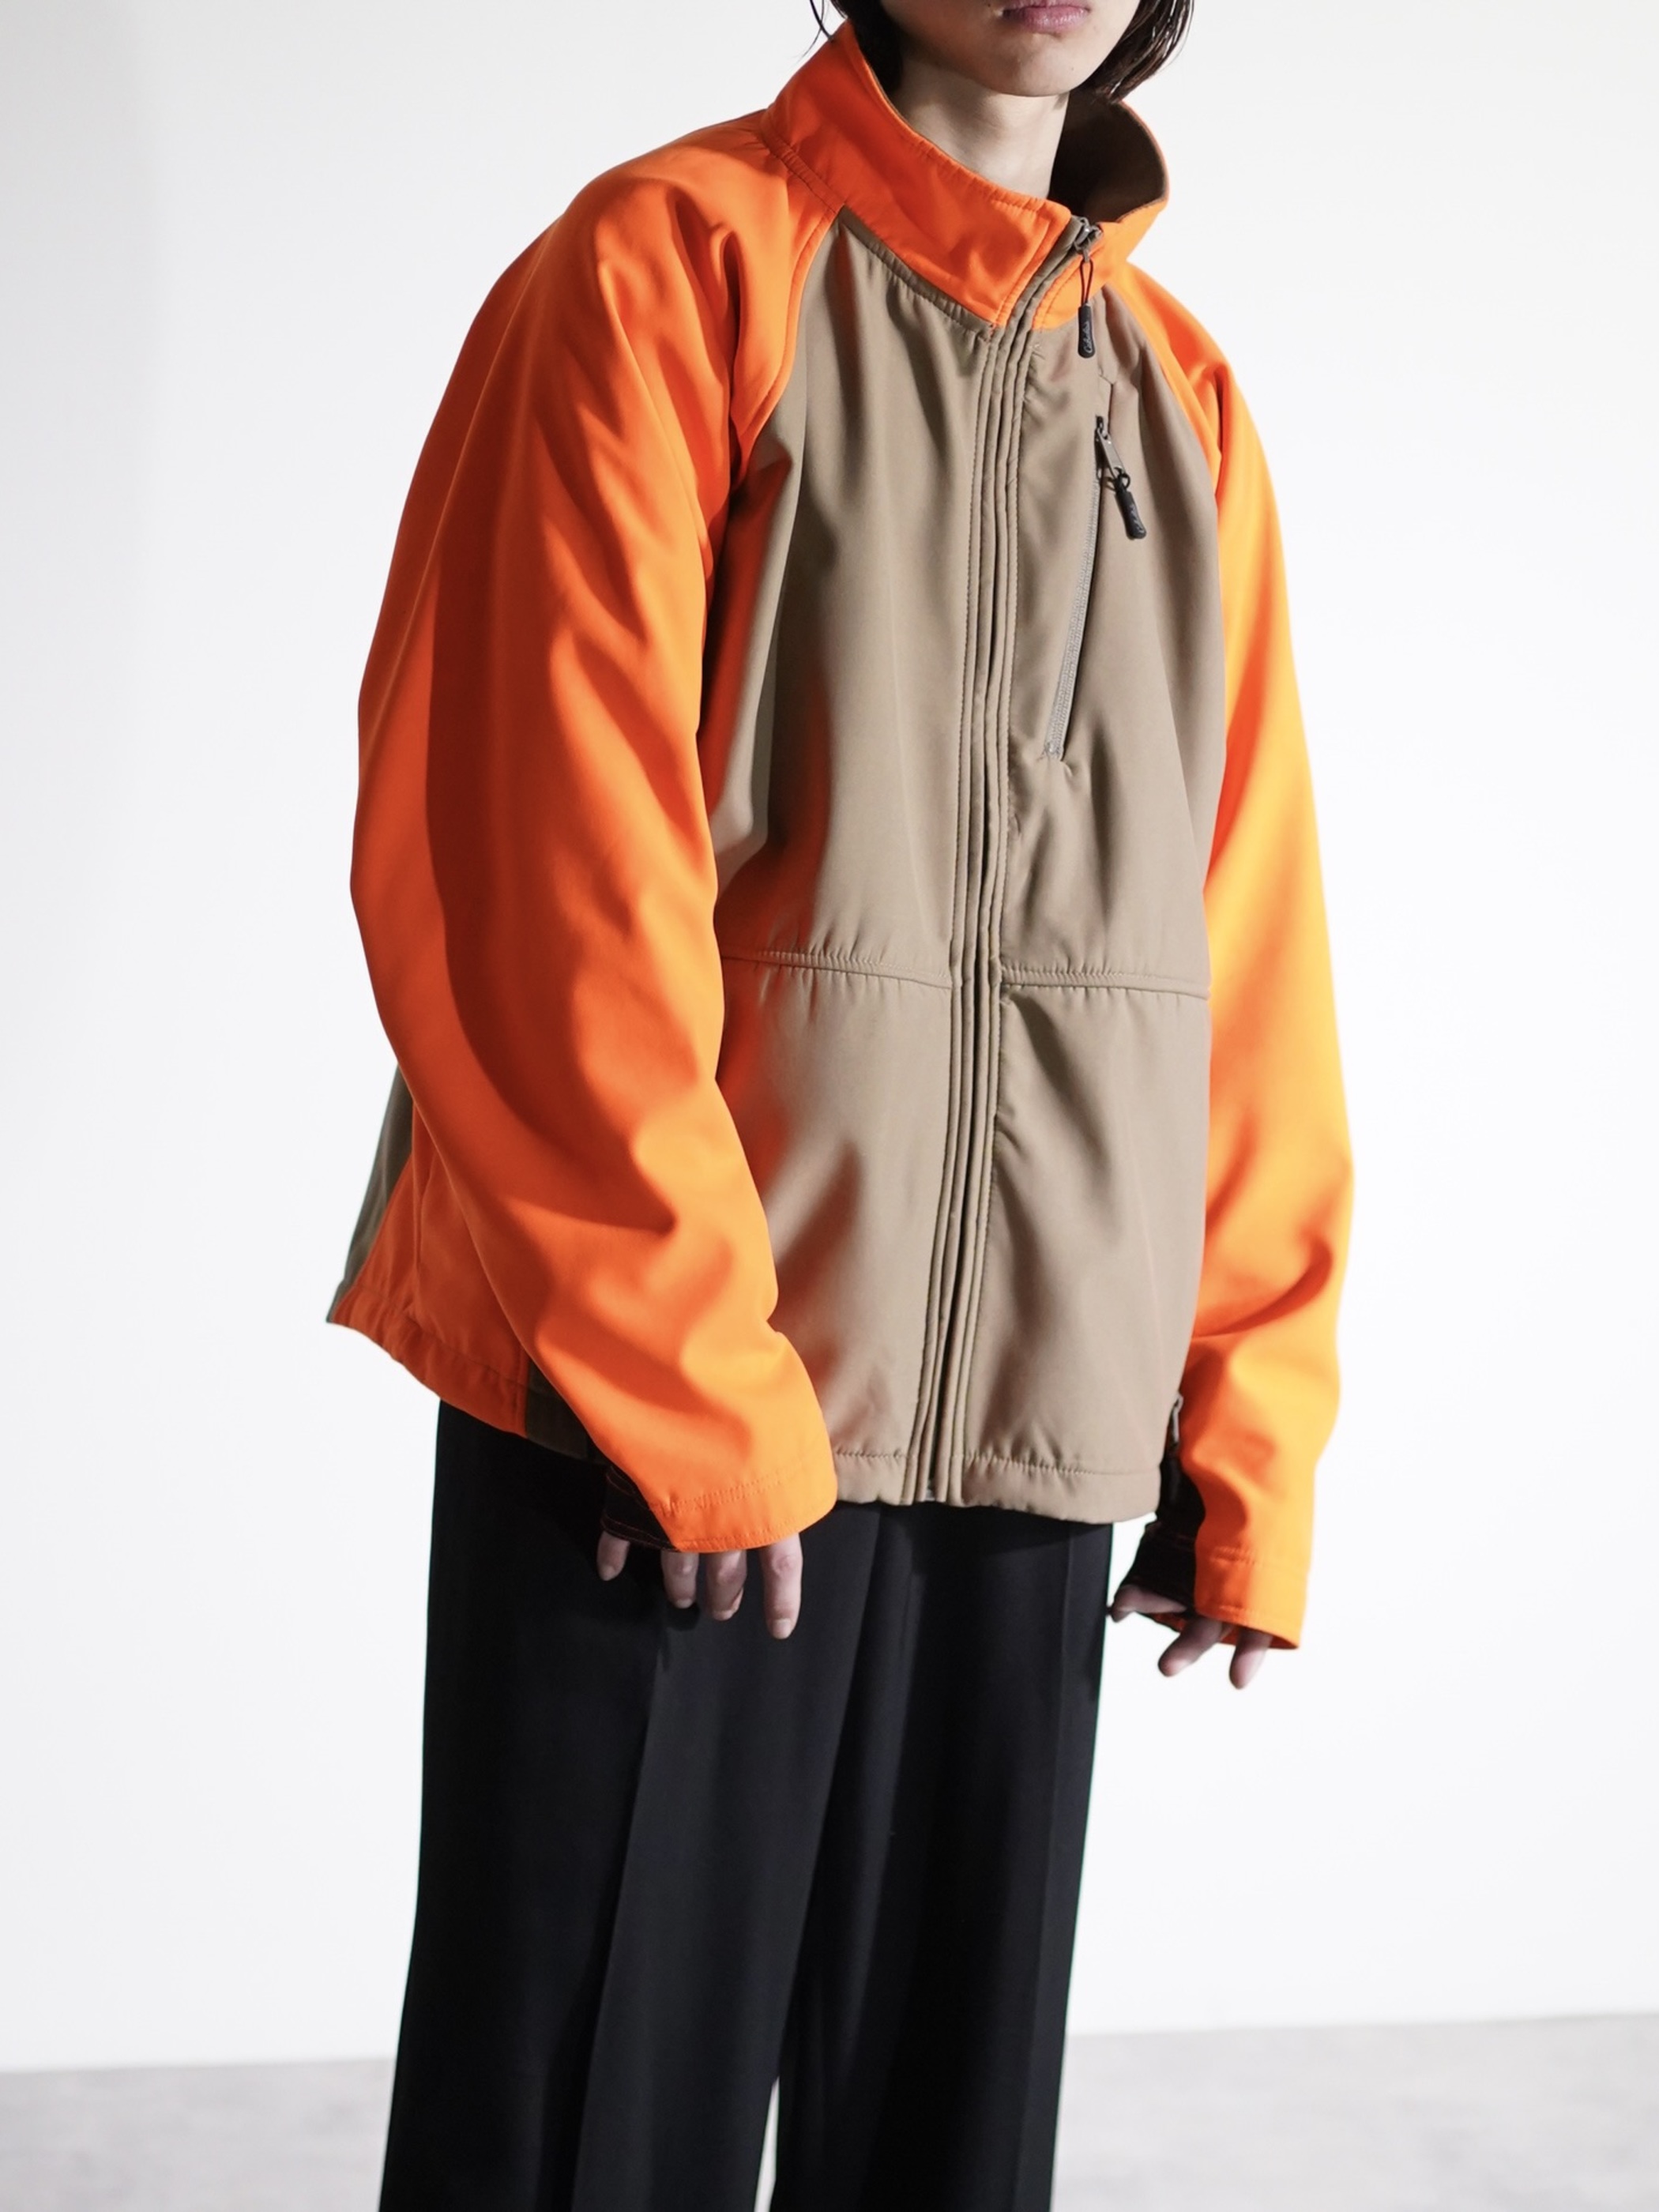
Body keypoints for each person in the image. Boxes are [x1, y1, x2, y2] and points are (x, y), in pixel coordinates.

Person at [329, 0, 1352, 2204]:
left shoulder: (1174, 398)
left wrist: (1243, 1415)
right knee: (582, 2144)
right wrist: (687, 1390)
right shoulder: (667, 267)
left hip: (1033, 1431)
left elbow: (1244, 934)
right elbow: (542, 870)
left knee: (946, 2158)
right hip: (668, 1427)